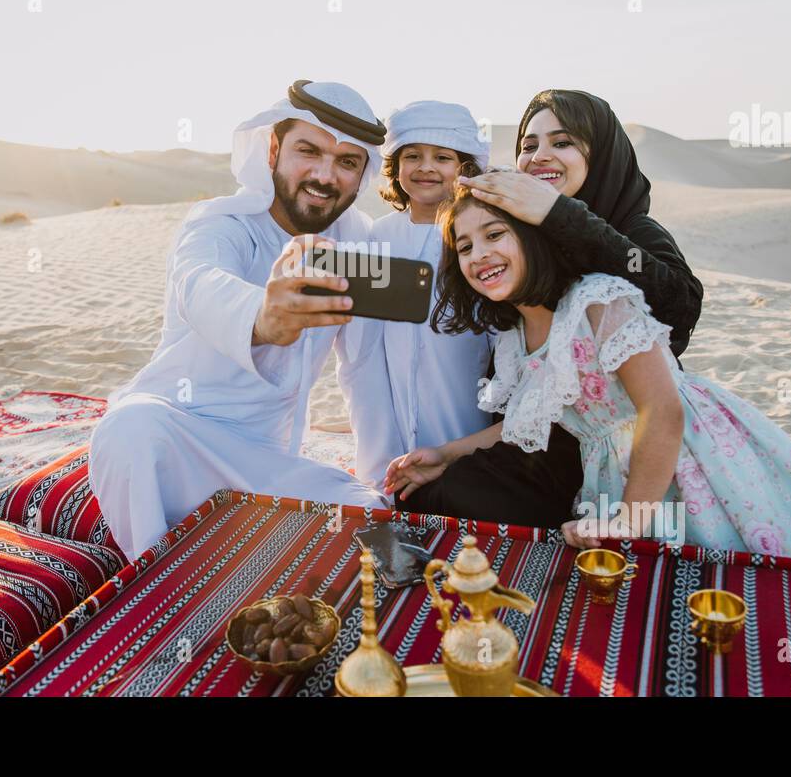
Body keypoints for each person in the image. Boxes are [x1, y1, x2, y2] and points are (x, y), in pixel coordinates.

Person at [388, 184, 791, 576]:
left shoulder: (597, 300)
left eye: (495, 234)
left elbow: (663, 409)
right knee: (659, 590)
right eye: (464, 246)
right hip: (609, 477)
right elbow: (527, 424)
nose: (479, 254)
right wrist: (447, 454)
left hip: (689, 458)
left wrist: (629, 521)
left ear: (531, 236)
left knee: (767, 574)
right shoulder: (514, 337)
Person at [88, 80, 400, 559]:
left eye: (347, 162)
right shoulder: (220, 223)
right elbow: (199, 282)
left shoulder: (356, 241)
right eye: (308, 151)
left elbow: (362, 371)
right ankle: (160, 583)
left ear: (362, 174)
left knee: (365, 510)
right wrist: (261, 316)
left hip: (265, 462)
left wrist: (384, 473)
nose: (324, 175)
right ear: (273, 148)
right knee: (128, 430)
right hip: (179, 435)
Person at [388, 89, 704, 527]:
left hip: (633, 441)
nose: (540, 156)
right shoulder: (519, 234)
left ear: (601, 152)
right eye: (528, 145)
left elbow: (677, 314)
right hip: (549, 438)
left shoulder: (629, 234)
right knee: (428, 496)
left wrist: (562, 215)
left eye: (562, 142)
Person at [369, 101, 493, 453]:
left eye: (442, 157)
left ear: (464, 167)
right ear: (395, 166)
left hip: (462, 412)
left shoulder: (479, 238)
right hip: (392, 415)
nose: (426, 168)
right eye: (412, 156)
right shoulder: (379, 236)